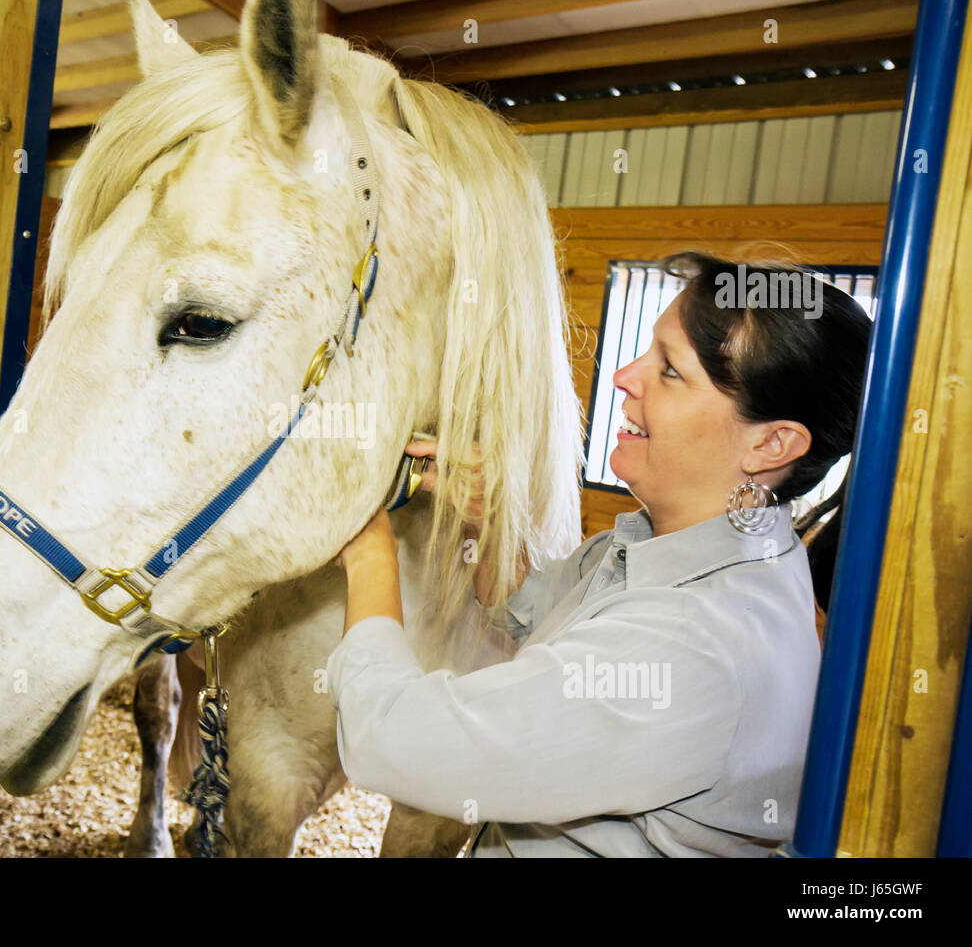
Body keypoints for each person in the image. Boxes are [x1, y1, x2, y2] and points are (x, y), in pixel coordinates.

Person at [330, 251, 873, 857]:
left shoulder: (693, 650)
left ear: (771, 442)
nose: (625, 376)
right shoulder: (677, 547)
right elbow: (530, 607)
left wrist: (366, 549)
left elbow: (392, 739)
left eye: (669, 370)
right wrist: (486, 516)